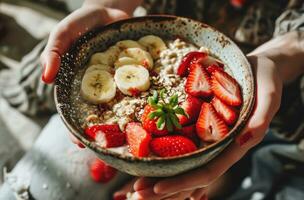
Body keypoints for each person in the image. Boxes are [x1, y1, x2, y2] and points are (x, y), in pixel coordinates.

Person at [40, 0, 304, 199]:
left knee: (229, 160)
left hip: (273, 94)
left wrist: (279, 56)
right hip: (144, 54)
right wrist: (107, 5)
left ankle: (216, 180)